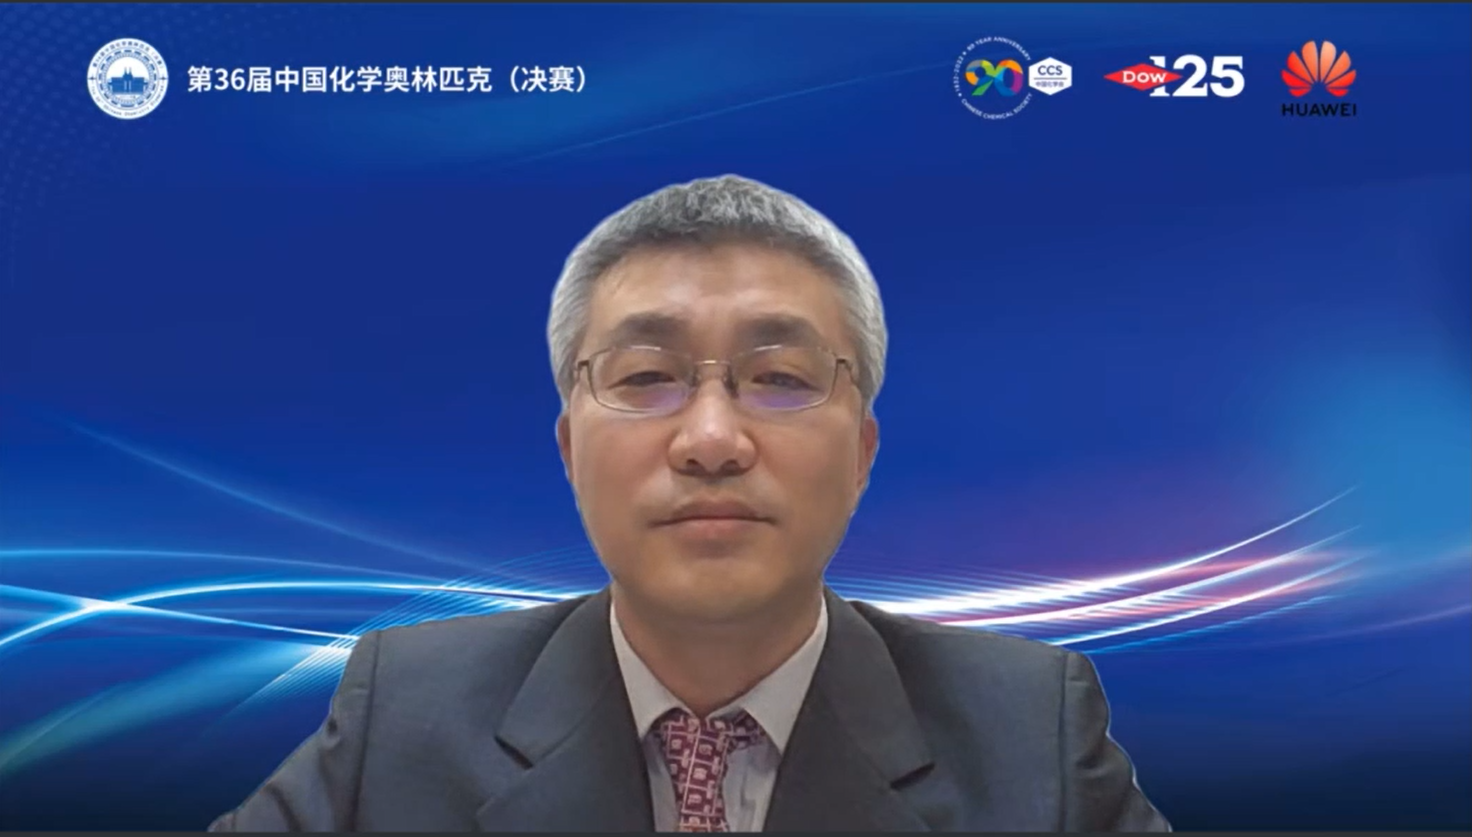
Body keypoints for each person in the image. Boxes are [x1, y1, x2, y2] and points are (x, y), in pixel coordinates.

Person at [209, 175, 1170, 832]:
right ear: (569, 449)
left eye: (780, 377)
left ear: (863, 452)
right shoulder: (404, 713)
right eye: (647, 375)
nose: (711, 439)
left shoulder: (1030, 732)